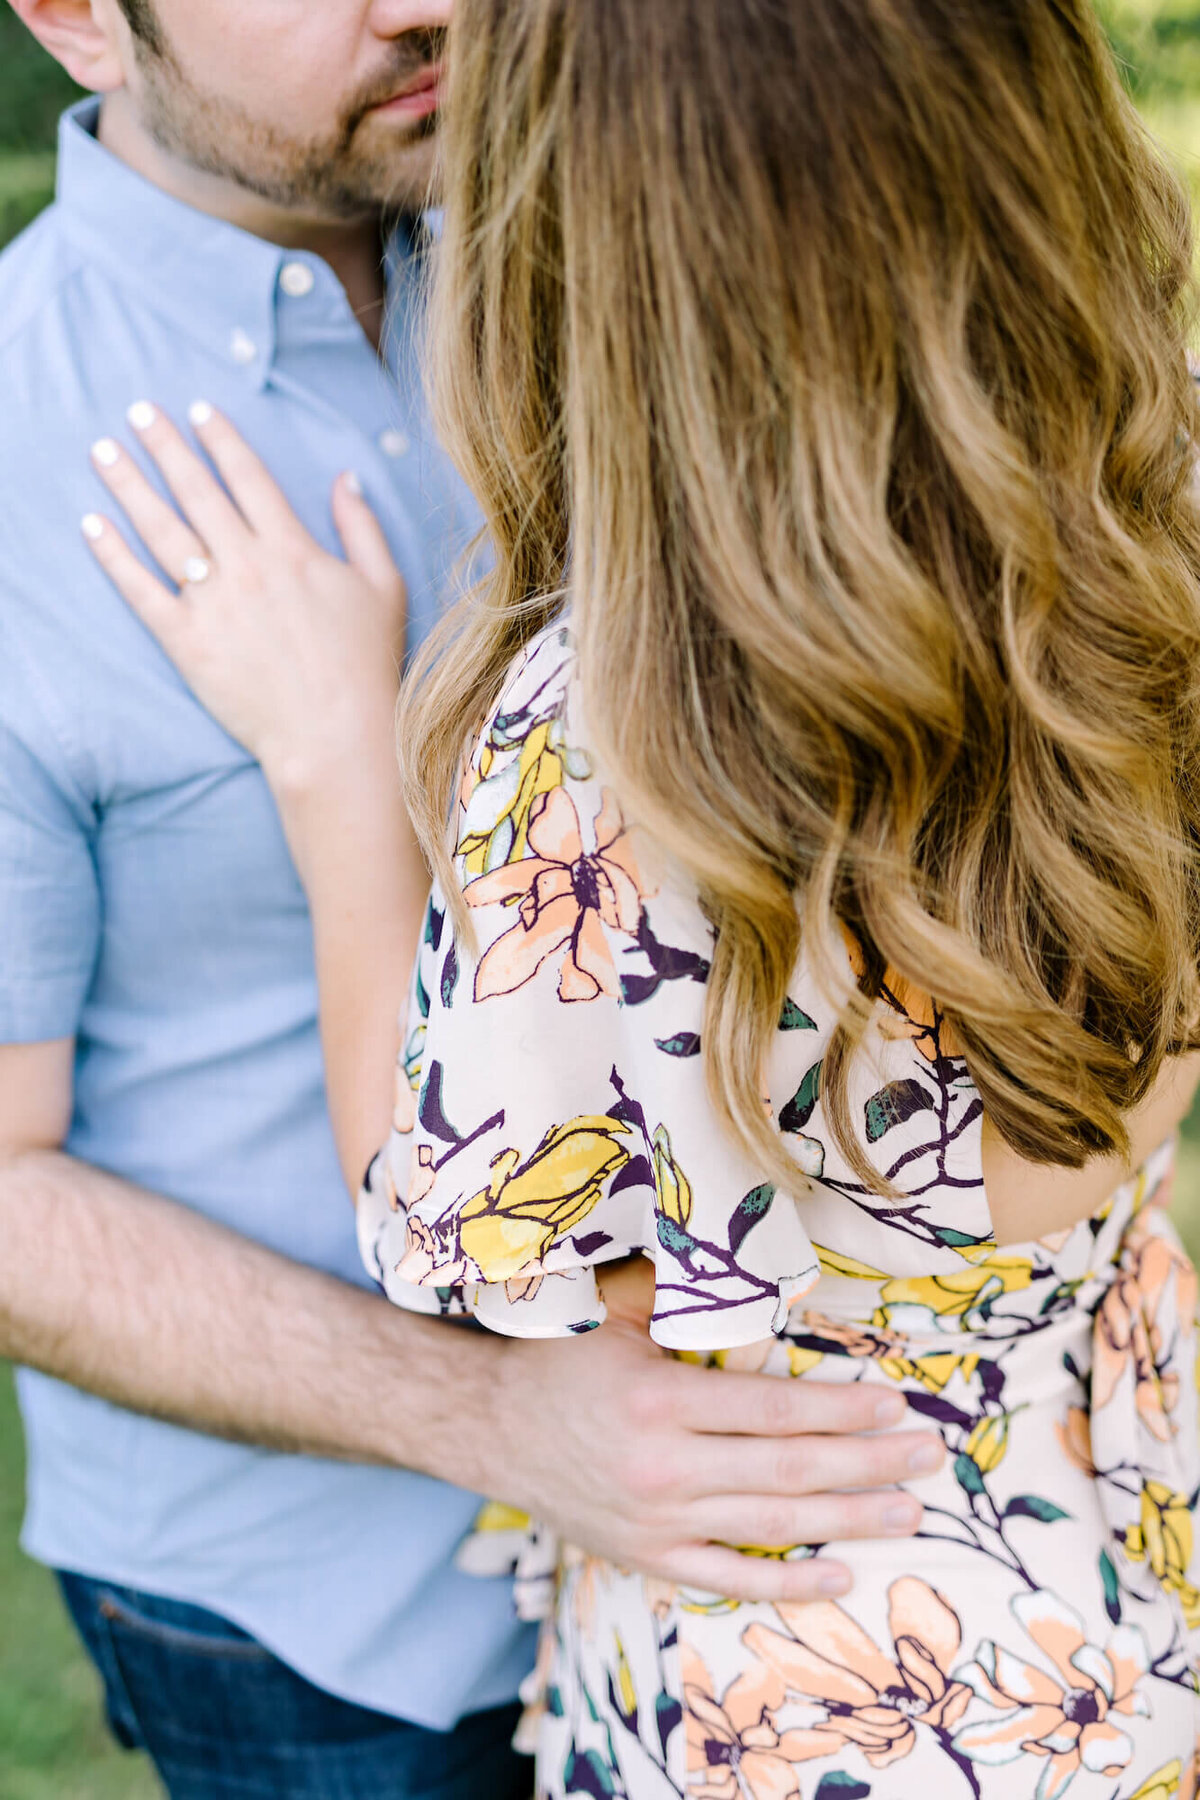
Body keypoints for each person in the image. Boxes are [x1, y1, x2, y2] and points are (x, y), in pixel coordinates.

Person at [79, 0, 1200, 1793]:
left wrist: (335, 769)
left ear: (574, 248)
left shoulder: (617, 735)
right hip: (1112, 1529)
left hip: (828, 1661)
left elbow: (454, 1224)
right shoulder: (1157, 520)